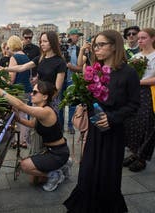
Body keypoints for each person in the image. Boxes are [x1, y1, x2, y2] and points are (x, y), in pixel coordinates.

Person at [64, 30, 140, 212]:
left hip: (114, 133)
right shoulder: (95, 70)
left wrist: (112, 118)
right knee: (88, 170)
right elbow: (91, 98)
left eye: (101, 45)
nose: (96, 49)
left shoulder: (128, 73)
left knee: (108, 174)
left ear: (114, 46)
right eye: (95, 45)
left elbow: (134, 105)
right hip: (95, 130)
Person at [0, 80, 69, 192]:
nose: (31, 94)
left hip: (58, 153)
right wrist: (18, 119)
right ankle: (61, 165)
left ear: (45, 97)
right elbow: (32, 124)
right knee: (33, 181)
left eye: (35, 92)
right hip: (52, 150)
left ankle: (55, 174)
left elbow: (21, 105)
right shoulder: (42, 110)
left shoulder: (46, 111)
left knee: (24, 166)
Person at [1, 31, 66, 113]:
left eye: (45, 41)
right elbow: (22, 67)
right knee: (35, 124)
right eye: (41, 41)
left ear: (52, 42)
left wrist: (46, 102)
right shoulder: (41, 58)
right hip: (39, 96)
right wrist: (5, 69)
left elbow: (57, 88)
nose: (42, 44)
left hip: (50, 100)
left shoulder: (60, 62)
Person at [123, 28, 155, 172]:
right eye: (139, 38)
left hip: (150, 93)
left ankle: (142, 158)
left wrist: (139, 82)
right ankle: (135, 153)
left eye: (143, 38)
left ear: (152, 39)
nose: (139, 40)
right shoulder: (136, 57)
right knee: (133, 123)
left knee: (147, 125)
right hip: (135, 93)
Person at [6, 35, 33, 149]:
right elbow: (30, 76)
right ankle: (24, 140)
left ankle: (16, 140)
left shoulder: (14, 58)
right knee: (24, 114)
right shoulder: (26, 57)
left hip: (17, 90)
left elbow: (11, 78)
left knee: (16, 115)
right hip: (27, 89)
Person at [59, 29, 83, 134]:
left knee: (72, 104)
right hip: (60, 79)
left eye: (78, 36)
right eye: (76, 35)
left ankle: (70, 125)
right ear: (70, 36)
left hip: (71, 80)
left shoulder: (78, 50)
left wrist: (71, 66)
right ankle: (60, 125)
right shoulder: (61, 48)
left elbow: (80, 67)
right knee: (60, 104)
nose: (77, 38)